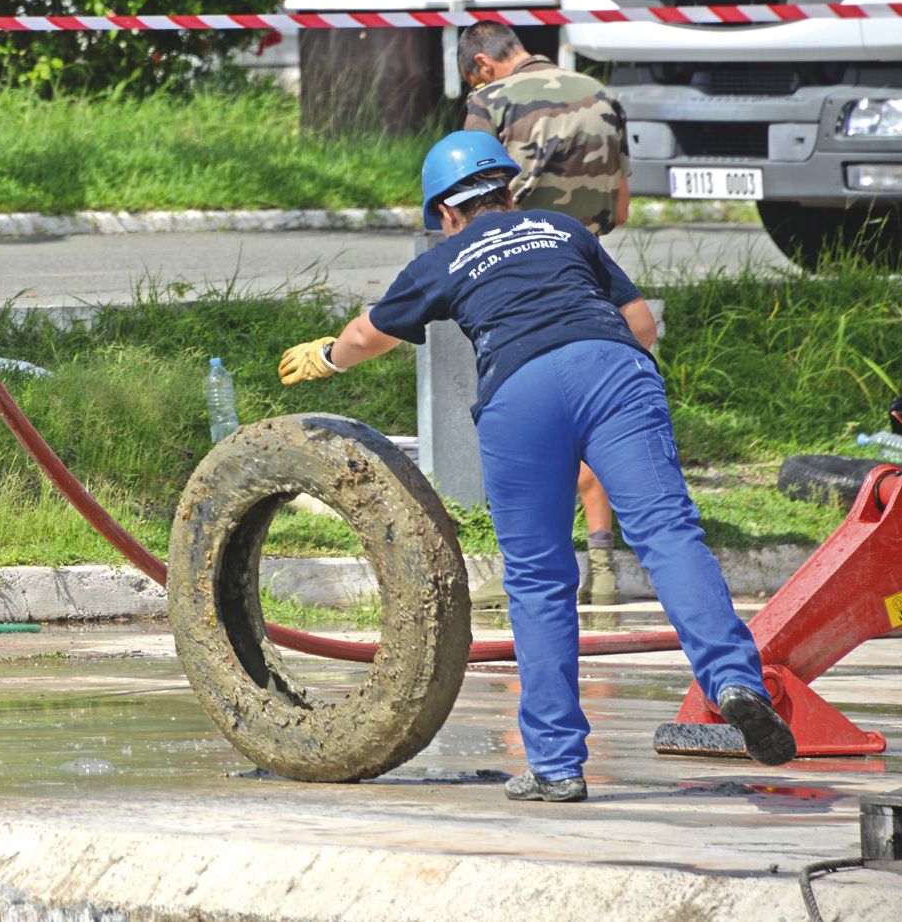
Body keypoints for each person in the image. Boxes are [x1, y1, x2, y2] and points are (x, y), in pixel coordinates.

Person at [278, 131, 795, 802]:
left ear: (445, 212)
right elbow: (640, 324)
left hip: (519, 392)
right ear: (507, 191)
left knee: (539, 576)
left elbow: (362, 335)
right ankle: (732, 682)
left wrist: (326, 357)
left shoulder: (446, 256)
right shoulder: (559, 227)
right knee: (668, 535)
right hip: (613, 368)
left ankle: (555, 765)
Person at [460, 21, 632, 604]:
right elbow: (623, 205)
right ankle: (604, 569)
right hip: (596, 270)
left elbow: (471, 202)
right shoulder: (600, 92)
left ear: (482, 64)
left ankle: (526, 567)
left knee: (537, 425)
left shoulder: (489, 101)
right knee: (599, 419)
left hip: (523, 283)